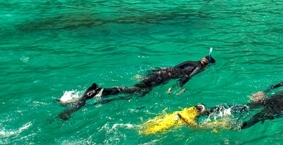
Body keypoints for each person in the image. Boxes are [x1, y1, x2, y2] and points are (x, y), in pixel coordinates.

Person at [58, 51, 215, 121]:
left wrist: (149, 73)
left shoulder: (190, 60)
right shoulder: (200, 68)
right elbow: (188, 76)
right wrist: (179, 87)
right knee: (137, 92)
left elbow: (174, 67)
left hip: (159, 74)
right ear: (207, 65)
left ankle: (101, 97)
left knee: (138, 91)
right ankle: (102, 92)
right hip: (160, 80)